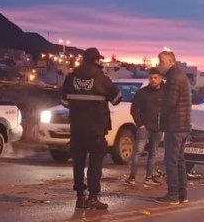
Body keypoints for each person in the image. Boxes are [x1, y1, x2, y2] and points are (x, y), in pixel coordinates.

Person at [60, 47, 122, 210]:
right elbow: (117, 99)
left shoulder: (70, 77)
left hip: (77, 128)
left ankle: (80, 196)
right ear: (96, 60)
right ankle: (93, 197)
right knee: (95, 163)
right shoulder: (102, 79)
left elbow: (64, 102)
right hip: (96, 129)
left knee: (78, 163)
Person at [155, 50, 192, 205]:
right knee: (179, 161)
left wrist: (161, 120)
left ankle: (173, 194)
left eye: (162, 62)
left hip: (175, 125)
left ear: (171, 61)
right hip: (183, 125)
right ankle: (182, 194)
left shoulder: (173, 78)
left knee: (171, 161)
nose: (159, 65)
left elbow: (170, 102)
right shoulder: (180, 76)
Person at [126, 68, 164, 187]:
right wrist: (140, 124)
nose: (153, 80)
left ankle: (149, 176)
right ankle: (132, 176)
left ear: (160, 78)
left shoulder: (165, 93)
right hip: (144, 127)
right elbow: (134, 109)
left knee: (153, 153)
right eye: (151, 78)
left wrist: (164, 124)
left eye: (155, 78)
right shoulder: (142, 93)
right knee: (138, 151)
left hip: (158, 128)